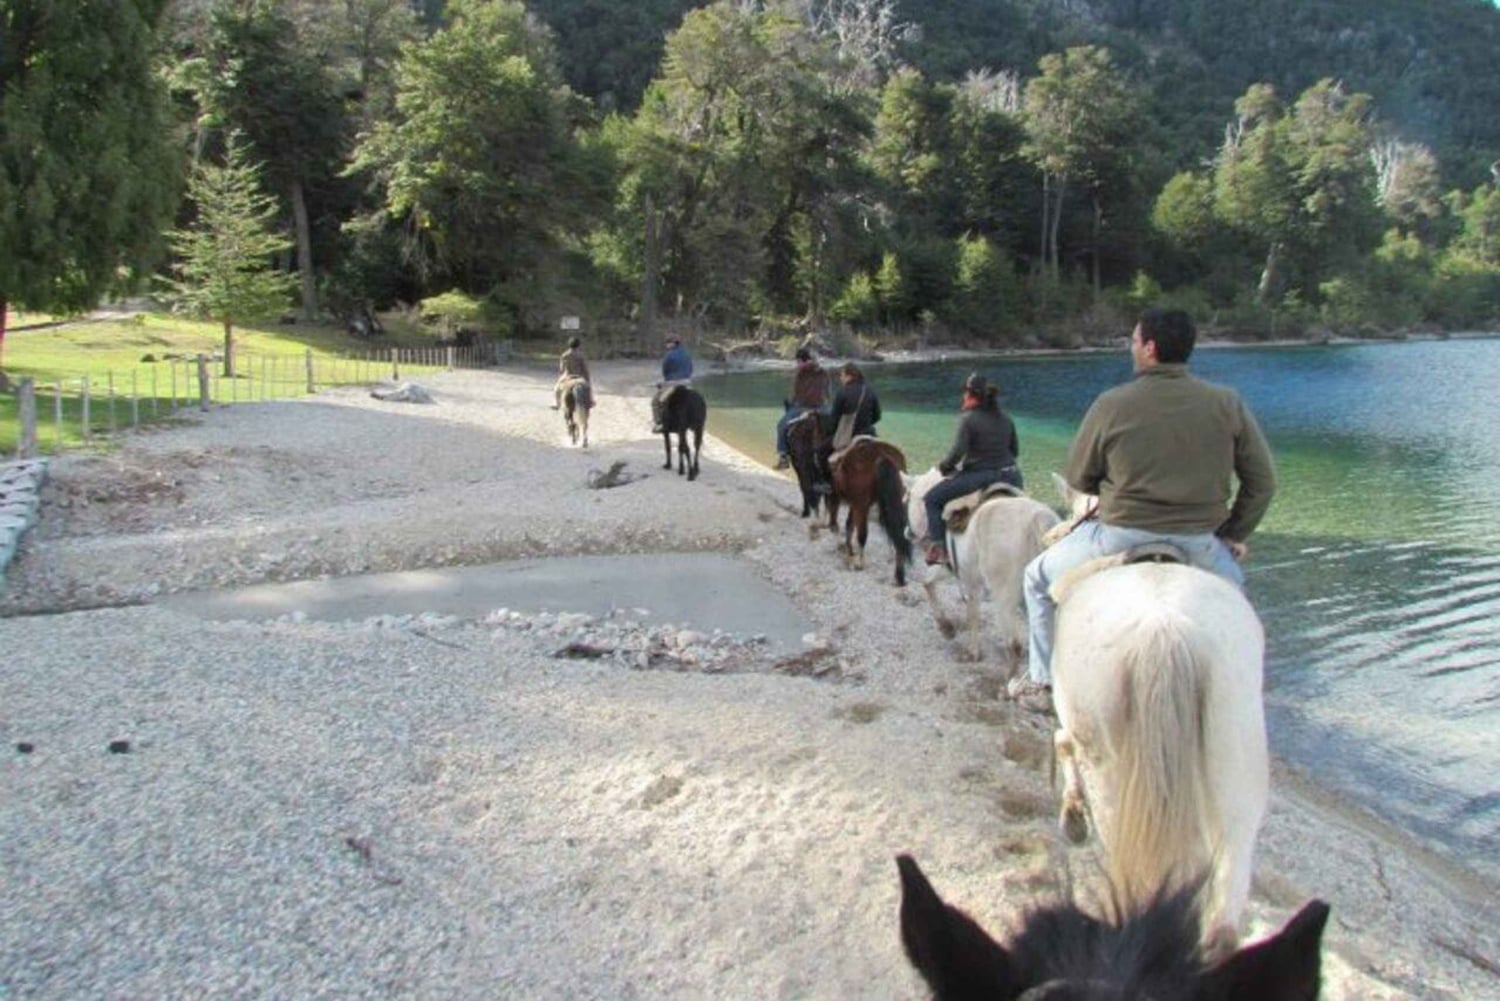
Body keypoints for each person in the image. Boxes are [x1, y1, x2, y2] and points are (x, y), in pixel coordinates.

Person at [1015, 307, 1277, 712]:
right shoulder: (1227, 403)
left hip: (1119, 535)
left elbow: (1078, 477)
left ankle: (1041, 683)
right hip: (1198, 544)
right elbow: (1263, 484)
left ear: (1150, 348)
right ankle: (1242, 701)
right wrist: (1233, 534)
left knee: (1035, 580)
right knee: (1242, 615)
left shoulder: (1112, 403)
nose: (1131, 348)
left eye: (1134, 341)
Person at [920, 373, 1023, 566]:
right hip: (1012, 475)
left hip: (981, 476)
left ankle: (939, 549)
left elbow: (957, 452)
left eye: (964, 393)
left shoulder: (968, 418)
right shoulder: (1006, 418)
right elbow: (1015, 451)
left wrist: (945, 466)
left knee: (931, 500)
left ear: (970, 395)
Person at [814, 362, 881, 493]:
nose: (841, 378)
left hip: (850, 435)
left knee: (821, 452)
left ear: (849, 376)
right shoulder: (870, 390)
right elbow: (877, 416)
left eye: (842, 375)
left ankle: (827, 484)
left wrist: (829, 433)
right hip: (868, 433)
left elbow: (834, 420)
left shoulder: (842, 392)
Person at [774, 347, 832, 469]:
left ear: (800, 360)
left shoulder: (800, 372)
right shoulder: (824, 372)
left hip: (803, 408)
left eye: (798, 361)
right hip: (822, 408)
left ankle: (783, 456)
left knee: (781, 426)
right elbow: (827, 394)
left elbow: (795, 395)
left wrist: (792, 401)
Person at [651, 334, 694, 433]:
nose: (666, 345)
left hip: (672, 383)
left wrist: (664, 383)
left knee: (656, 402)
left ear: (672, 344)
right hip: (687, 382)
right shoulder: (687, 353)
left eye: (667, 343)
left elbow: (665, 371)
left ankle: (659, 424)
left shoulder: (669, 355)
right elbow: (691, 369)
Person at [552, 336, 590, 410]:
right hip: (579, 377)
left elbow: (561, 369)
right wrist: (587, 379)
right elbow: (585, 369)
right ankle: (590, 402)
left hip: (568, 376)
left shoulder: (564, 355)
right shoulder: (581, 355)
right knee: (588, 390)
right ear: (579, 345)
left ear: (569, 345)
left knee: (556, 389)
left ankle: (557, 404)